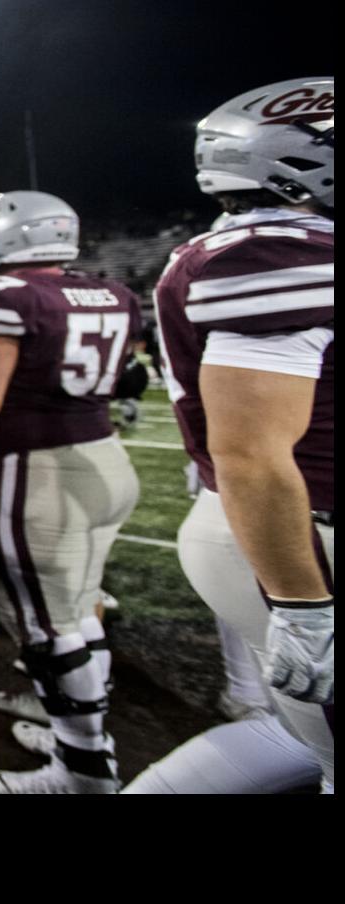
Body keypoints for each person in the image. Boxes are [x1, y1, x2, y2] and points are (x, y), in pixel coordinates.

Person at [125, 77, 334, 794]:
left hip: (285, 520)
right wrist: (304, 608)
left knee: (303, 738)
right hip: (296, 532)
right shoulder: (275, 249)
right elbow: (249, 450)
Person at [0, 191, 141, 793]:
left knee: (46, 625)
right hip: (105, 461)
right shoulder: (110, 292)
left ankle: (83, 769)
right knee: (80, 607)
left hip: (32, 470)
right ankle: (74, 728)